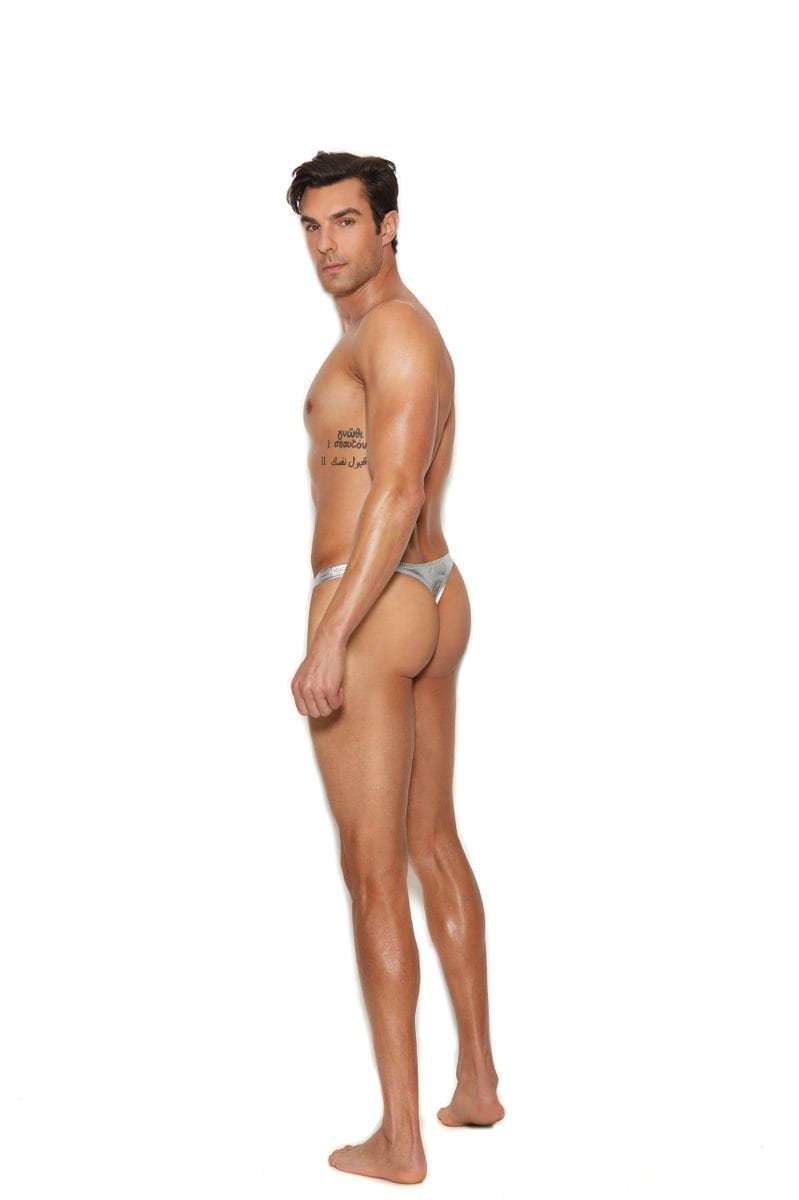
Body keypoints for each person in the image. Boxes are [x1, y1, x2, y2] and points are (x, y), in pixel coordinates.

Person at [287, 151, 503, 1185]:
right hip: (432, 593)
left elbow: (398, 487)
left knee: (373, 869)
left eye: (345, 221)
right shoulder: (376, 334)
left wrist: (331, 633)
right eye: (311, 226)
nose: (327, 244)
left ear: (389, 225)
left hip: (372, 603)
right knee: (429, 840)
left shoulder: (397, 330)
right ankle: (477, 1084)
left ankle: (400, 1138)